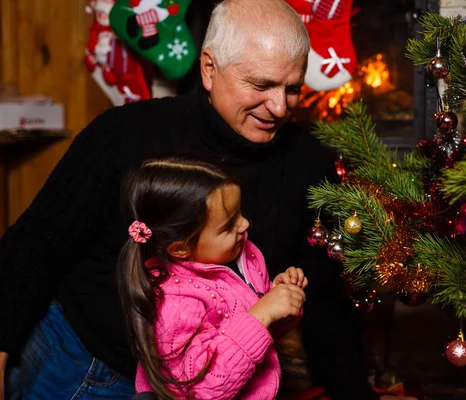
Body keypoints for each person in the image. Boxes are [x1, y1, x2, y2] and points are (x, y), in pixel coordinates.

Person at [0, 0, 405, 399]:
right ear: (210, 69)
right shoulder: (125, 133)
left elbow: (323, 302)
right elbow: (37, 242)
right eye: (261, 85)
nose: (280, 107)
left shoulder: (308, 163)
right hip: (74, 359)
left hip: (211, 384)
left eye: (293, 88)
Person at [118, 156, 307, 399]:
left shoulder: (243, 254)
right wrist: (262, 314)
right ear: (180, 248)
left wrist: (279, 303)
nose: (245, 224)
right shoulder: (174, 302)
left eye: (240, 213)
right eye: (229, 225)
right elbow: (203, 390)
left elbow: (261, 337)